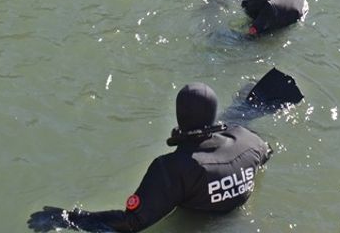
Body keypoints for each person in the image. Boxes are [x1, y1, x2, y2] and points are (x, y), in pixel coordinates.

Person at [27, 83, 272, 232]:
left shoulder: (172, 169)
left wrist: (67, 218)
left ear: (178, 116)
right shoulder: (250, 140)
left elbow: (132, 223)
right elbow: (266, 154)